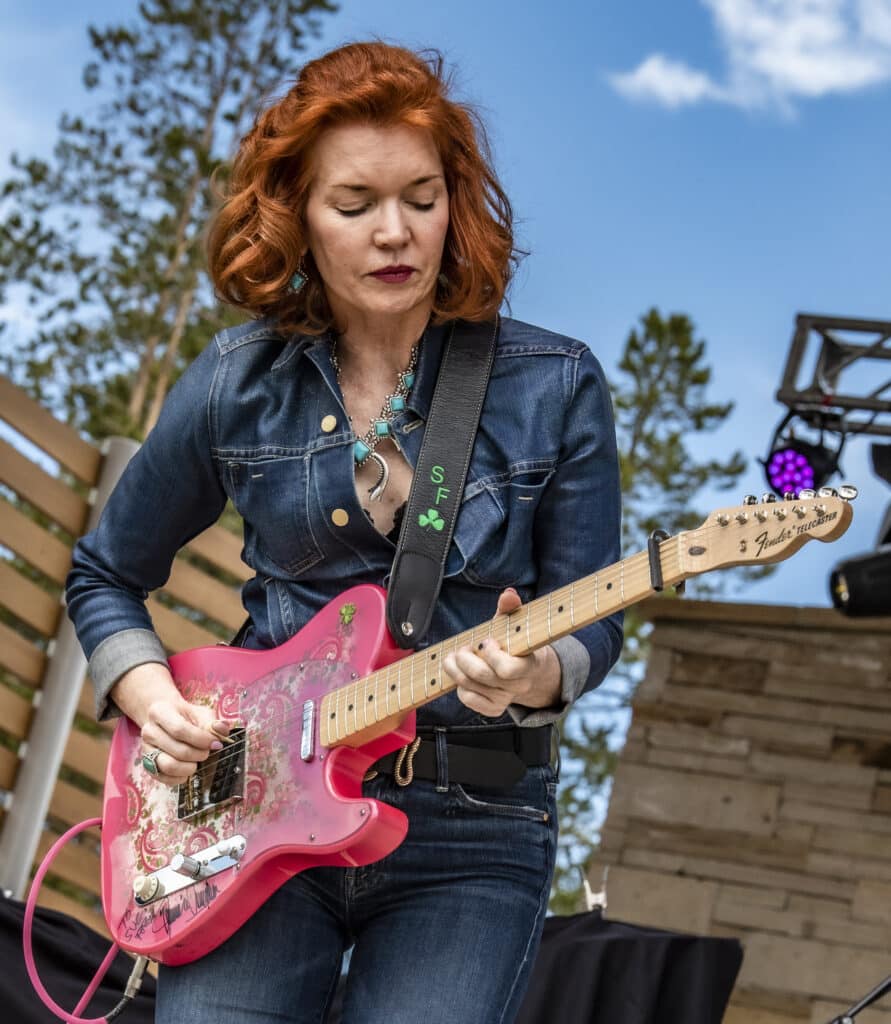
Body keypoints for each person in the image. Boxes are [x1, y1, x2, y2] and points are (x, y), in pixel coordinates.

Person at [66, 41, 622, 1024]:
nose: (395, 232)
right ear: (298, 217)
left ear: (457, 201)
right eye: (355, 204)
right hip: (248, 807)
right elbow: (105, 573)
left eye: (421, 196)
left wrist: (538, 675)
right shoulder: (238, 380)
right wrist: (153, 700)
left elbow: (594, 613)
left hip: (474, 825)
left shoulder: (558, 385)